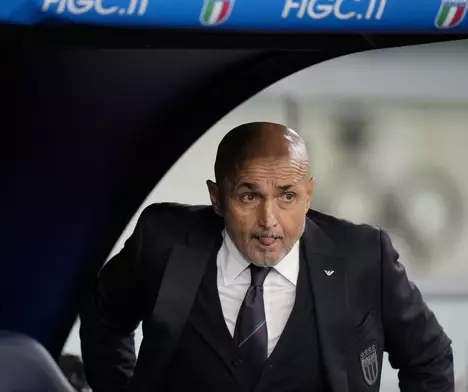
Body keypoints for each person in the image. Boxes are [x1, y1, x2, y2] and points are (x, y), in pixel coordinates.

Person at [80, 122, 454, 392]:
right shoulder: (162, 241)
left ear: (308, 195)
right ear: (217, 197)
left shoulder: (363, 256)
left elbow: (430, 357)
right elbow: (104, 315)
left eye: (287, 196)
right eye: (249, 196)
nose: (269, 221)